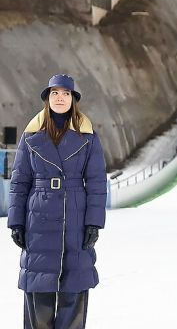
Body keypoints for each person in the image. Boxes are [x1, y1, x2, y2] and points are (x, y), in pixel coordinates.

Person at [7, 74, 107, 328]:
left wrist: (93, 224)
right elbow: (19, 182)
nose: (60, 98)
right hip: (38, 218)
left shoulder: (88, 137)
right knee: (38, 288)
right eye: (54, 93)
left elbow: (96, 184)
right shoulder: (31, 137)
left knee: (74, 288)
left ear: (73, 99)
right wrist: (16, 222)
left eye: (65, 93)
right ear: (47, 99)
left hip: (75, 215)